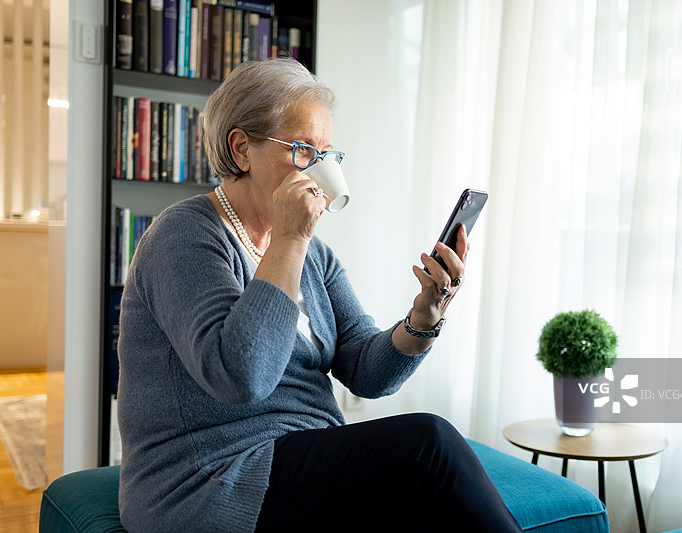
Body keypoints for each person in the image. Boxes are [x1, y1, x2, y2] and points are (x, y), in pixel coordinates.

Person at [117, 58, 522, 533]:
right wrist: (289, 240)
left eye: (328, 155)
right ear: (242, 148)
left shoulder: (314, 255)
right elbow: (240, 377)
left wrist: (424, 314)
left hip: (299, 461)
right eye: (305, 150)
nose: (321, 170)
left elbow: (367, 371)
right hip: (209, 479)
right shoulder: (183, 235)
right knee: (427, 443)